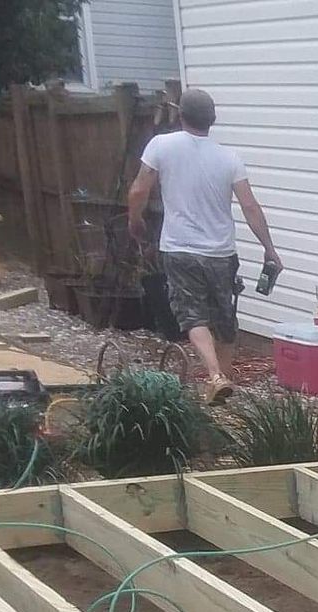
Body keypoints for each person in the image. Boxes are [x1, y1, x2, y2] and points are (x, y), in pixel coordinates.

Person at [127, 89, 281, 406]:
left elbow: (139, 190)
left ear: (180, 115)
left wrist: (135, 222)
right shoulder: (229, 158)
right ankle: (221, 390)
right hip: (221, 253)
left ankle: (215, 377)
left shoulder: (161, 146)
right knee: (225, 321)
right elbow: (250, 207)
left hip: (180, 249)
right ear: (212, 121)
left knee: (192, 315)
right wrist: (269, 249)